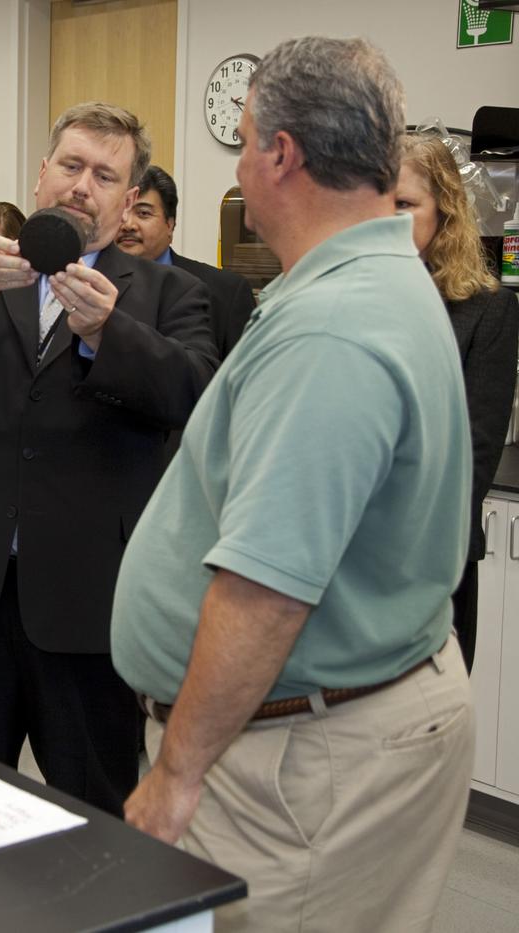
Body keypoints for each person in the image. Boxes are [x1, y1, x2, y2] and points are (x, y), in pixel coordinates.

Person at [112, 37, 475, 932]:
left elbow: (267, 590)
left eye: (242, 142)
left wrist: (176, 774)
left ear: (280, 155)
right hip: (342, 716)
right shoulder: (375, 277)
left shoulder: (332, 328)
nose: (238, 167)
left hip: (296, 762)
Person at [0, 102, 217, 812]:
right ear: (41, 174)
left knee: (95, 813)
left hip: (90, 603)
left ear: (128, 202)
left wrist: (108, 333)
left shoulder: (169, 294)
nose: (83, 186)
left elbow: (197, 395)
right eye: (71, 165)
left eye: (105, 176)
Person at [398, 133, 519, 675]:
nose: (389, 218)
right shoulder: (354, 300)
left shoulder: (487, 311)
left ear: (444, 212)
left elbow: (473, 453)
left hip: (431, 560)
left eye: (405, 204)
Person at [116, 165, 257, 359]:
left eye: (144, 213)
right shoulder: (92, 283)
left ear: (170, 224)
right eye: (121, 212)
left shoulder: (226, 292)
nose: (128, 225)